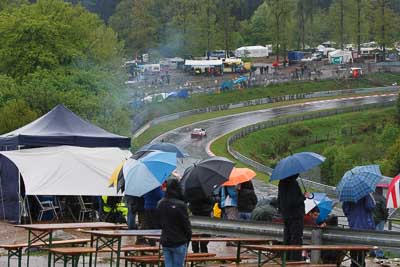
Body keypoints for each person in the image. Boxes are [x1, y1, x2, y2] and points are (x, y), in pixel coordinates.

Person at [157, 179, 192, 267]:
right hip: (179, 240)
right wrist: (188, 237)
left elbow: (158, 223)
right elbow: (186, 224)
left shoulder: (160, 203)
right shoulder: (181, 205)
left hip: (166, 239)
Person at [277, 174, 307, 261]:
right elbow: (294, 201)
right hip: (296, 215)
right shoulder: (293, 184)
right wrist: (303, 197)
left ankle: (286, 258)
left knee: (287, 237)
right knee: (296, 238)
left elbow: (280, 200)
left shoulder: (281, 183)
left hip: (286, 215)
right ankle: (295, 259)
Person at [343, 193, 376, 267]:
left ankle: (354, 263)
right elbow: (370, 207)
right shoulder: (366, 194)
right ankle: (361, 263)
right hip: (365, 226)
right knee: (363, 246)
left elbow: (345, 210)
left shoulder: (348, 195)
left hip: (353, 224)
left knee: (353, 246)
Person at [372, 186, 389, 258]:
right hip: (380, 220)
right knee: (379, 237)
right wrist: (385, 218)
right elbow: (385, 210)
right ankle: (379, 254)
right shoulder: (382, 198)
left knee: (372, 236)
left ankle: (372, 252)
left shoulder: (371, 197)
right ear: (381, 190)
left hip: (371, 219)